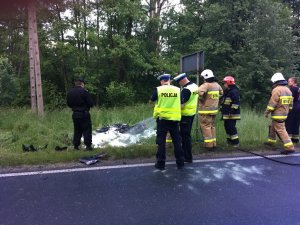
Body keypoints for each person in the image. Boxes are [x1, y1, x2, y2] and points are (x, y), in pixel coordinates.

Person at [149, 74, 185, 170]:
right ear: (169, 80)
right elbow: (182, 104)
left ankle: (161, 164)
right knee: (177, 141)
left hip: (162, 120)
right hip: (174, 119)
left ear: (161, 81)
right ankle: (180, 163)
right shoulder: (178, 90)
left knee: (161, 142)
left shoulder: (158, 89)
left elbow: (151, 100)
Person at [264, 72, 294, 154]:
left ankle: (289, 147)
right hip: (285, 113)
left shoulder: (276, 90)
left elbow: (272, 103)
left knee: (281, 130)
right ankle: (271, 141)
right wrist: (288, 110)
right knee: (272, 126)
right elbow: (291, 104)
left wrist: (267, 112)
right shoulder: (288, 90)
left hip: (278, 114)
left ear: (276, 81)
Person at [173, 73, 199, 163]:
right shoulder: (195, 86)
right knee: (186, 135)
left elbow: (182, 105)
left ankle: (187, 157)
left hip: (185, 115)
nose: (179, 84)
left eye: (179, 82)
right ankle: (187, 156)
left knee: (185, 136)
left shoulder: (186, 90)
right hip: (191, 114)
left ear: (182, 80)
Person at [198, 69, 223, 150]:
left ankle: (209, 146)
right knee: (212, 126)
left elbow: (200, 93)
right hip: (214, 110)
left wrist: (201, 99)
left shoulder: (206, 85)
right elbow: (221, 94)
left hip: (205, 110)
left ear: (205, 77)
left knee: (206, 127)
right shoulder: (217, 85)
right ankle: (213, 143)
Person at [67, 77, 94, 150]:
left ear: (75, 84)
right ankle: (88, 146)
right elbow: (91, 103)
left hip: (75, 114)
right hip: (84, 113)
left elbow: (69, 104)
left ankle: (76, 146)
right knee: (87, 130)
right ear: (82, 84)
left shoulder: (70, 92)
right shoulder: (85, 92)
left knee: (77, 130)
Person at [220, 76, 241, 147]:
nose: (224, 85)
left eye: (225, 83)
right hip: (227, 113)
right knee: (227, 127)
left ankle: (236, 142)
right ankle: (229, 141)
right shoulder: (227, 91)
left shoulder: (234, 91)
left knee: (231, 127)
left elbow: (236, 103)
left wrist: (231, 111)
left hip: (232, 114)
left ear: (229, 83)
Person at [285, 77, 300, 144]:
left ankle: (289, 139)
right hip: (298, 106)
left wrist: (288, 107)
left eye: (289, 81)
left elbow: (291, 99)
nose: (288, 83)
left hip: (293, 107)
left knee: (289, 122)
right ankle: (295, 139)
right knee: (296, 123)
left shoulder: (292, 89)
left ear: (293, 82)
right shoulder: (298, 88)